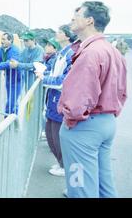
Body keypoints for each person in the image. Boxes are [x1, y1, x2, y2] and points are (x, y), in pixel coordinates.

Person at [57, 1, 127, 198]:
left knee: (79, 187)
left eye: (77, 14)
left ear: (89, 20)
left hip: (84, 127)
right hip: (106, 122)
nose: (72, 18)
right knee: (105, 185)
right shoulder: (112, 51)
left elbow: (78, 99)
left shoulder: (90, 52)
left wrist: (70, 120)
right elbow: (122, 91)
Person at [36, 26, 76, 178]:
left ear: (66, 36)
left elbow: (62, 81)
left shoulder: (70, 55)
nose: (56, 34)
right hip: (52, 100)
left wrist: (43, 78)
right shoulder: (61, 54)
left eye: (59, 32)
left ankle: (65, 166)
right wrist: (43, 73)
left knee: (57, 137)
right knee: (50, 135)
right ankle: (61, 162)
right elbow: (53, 73)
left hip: (60, 100)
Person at [0, 32, 22, 115]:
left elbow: (10, 63)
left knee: (11, 101)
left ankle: (7, 118)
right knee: (12, 99)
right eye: (1, 39)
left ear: (10, 40)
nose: (1, 41)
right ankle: (14, 117)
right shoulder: (1, 49)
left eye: (4, 39)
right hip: (8, 78)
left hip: (17, 79)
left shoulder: (15, 50)